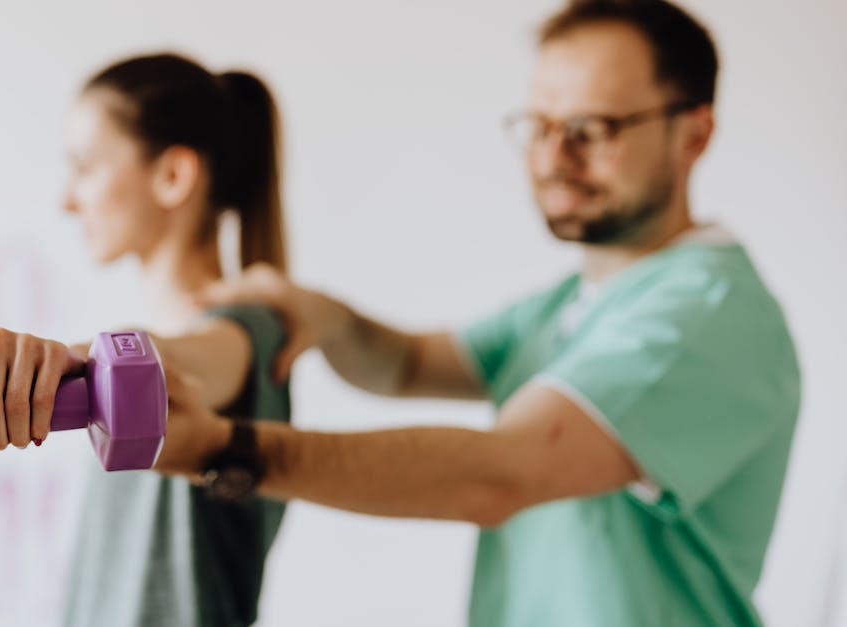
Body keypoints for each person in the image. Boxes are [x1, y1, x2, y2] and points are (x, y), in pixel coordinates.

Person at [160, 1, 800, 625]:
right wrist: (323, 317)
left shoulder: (705, 315)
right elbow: (407, 365)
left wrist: (225, 449)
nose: (553, 158)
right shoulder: (573, 302)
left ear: (694, 133)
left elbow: (497, 474)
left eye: (592, 130)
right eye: (541, 126)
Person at [0, 53, 292, 626]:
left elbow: (186, 363)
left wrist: (86, 357)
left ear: (173, 176)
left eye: (85, 167)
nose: (67, 199)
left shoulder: (246, 331)